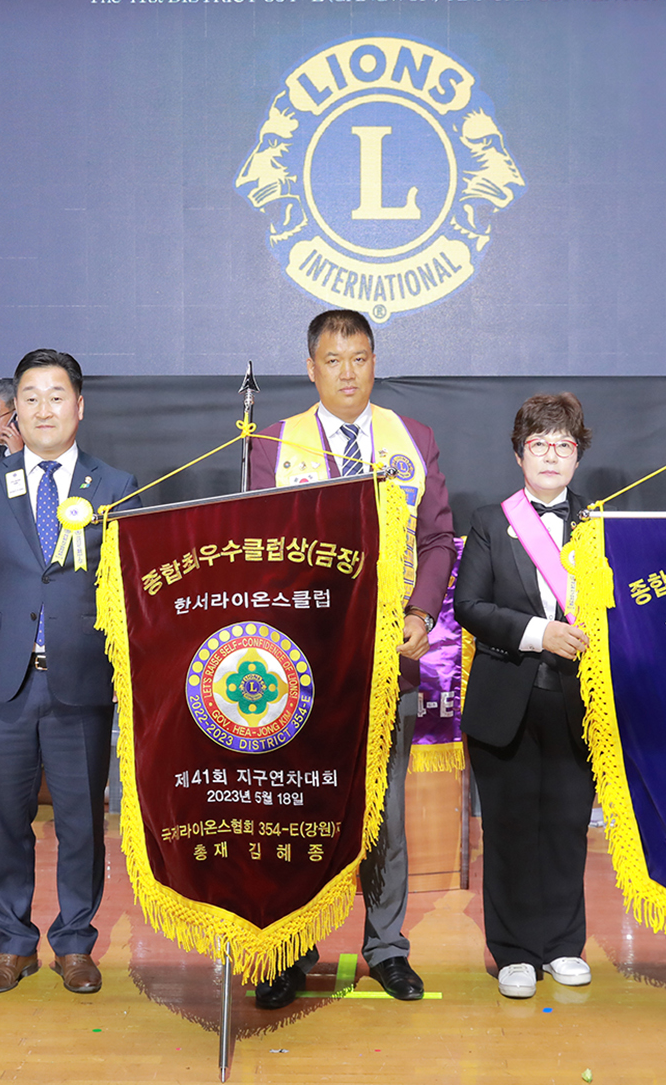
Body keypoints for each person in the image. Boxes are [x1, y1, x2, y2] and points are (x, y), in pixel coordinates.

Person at [246, 308, 457, 1006]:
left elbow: (437, 539)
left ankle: (387, 947)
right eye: (333, 360)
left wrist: (422, 612)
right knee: (299, 807)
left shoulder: (410, 438)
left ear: (374, 363)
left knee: (383, 813)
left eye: (359, 358)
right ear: (311, 368)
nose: (347, 372)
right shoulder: (274, 442)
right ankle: (290, 947)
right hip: (297, 664)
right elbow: (252, 544)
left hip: (386, 658)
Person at [0, 350, 138, 997]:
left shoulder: (116, 484)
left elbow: (135, 586)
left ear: (79, 406)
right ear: (13, 412)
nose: (43, 409)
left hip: (83, 675)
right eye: (31, 397)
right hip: (1, 678)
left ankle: (75, 943)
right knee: (5, 820)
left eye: (56, 396)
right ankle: (12, 944)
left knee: (82, 822)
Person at [453, 394, 597, 999]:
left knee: (566, 825)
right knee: (509, 829)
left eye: (564, 445)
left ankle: (563, 944)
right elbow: (469, 606)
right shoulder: (492, 521)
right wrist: (540, 632)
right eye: (539, 444)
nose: (551, 455)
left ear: (578, 456)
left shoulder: (598, 523)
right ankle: (513, 951)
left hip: (578, 703)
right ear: (519, 454)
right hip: (505, 699)